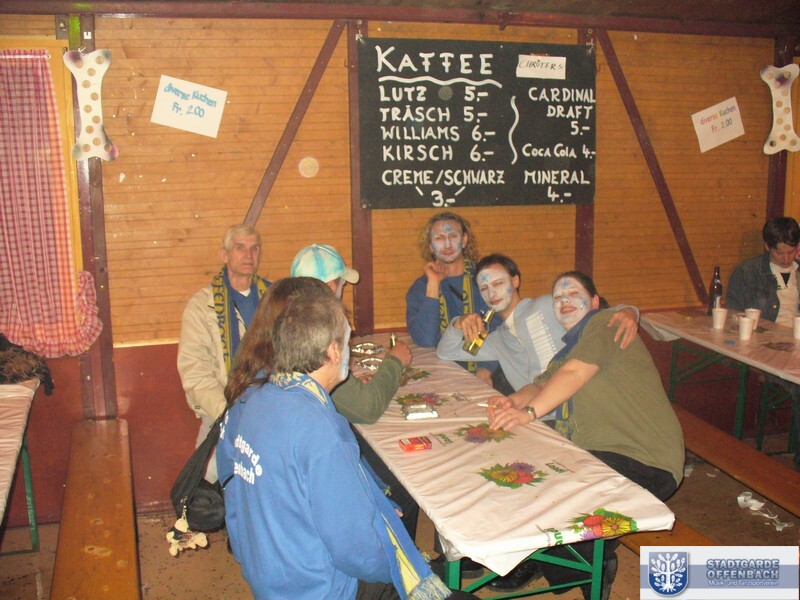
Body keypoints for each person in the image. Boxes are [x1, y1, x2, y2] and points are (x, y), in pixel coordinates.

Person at [218, 284, 474, 600]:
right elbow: (355, 549)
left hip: (271, 579)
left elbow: (234, 494)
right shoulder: (319, 426)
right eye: (347, 341)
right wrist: (395, 565)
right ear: (333, 351)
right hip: (324, 589)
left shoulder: (256, 400)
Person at [488, 271, 685, 600]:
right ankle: (552, 559)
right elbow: (540, 385)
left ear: (594, 302)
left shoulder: (606, 323)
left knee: (552, 494)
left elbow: (575, 374)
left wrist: (529, 413)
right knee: (528, 478)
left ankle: (587, 562)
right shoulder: (568, 350)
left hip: (645, 459)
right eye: (557, 297)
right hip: (599, 455)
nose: (564, 300)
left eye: (573, 293)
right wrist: (512, 401)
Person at [288, 245, 420, 537]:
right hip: (316, 455)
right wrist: (395, 361)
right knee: (404, 485)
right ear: (329, 287)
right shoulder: (318, 334)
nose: (342, 290)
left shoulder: (287, 321)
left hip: (296, 446)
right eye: (342, 285)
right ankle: (399, 560)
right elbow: (367, 409)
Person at [177, 224, 269, 482]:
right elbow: (195, 371)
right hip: (222, 409)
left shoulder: (273, 299)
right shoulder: (202, 307)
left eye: (254, 249)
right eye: (240, 248)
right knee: (206, 481)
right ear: (224, 255)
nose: (248, 255)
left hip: (269, 408)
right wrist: (228, 412)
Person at [726, 216, 800, 470]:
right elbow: (733, 316)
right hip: (764, 348)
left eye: (792, 251)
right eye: (780, 253)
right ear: (767, 246)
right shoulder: (748, 272)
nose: (787, 258)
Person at [405, 212, 500, 387]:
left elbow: (500, 330)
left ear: (464, 240)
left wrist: (485, 370)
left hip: (486, 368)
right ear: (430, 246)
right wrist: (433, 284)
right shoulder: (421, 287)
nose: (447, 244)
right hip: (440, 374)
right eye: (439, 238)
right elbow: (425, 340)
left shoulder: (485, 280)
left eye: (453, 236)